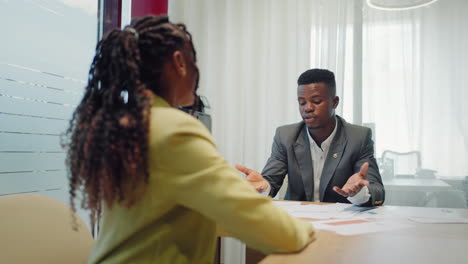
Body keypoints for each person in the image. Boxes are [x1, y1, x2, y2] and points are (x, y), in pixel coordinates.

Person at [63, 15, 315, 264]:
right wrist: (307, 230)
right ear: (179, 62)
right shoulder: (174, 129)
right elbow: (252, 218)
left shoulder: (125, 123)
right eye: (195, 62)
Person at [236, 69, 385, 206]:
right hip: (298, 225)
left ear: (334, 102)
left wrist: (359, 193)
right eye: (302, 102)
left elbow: (377, 191)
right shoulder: (286, 136)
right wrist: (263, 187)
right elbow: (270, 181)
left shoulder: (358, 137)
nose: (307, 108)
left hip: (341, 225)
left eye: (316, 101)